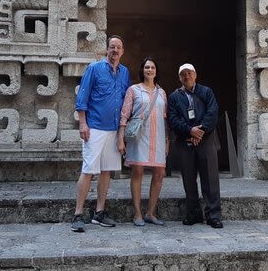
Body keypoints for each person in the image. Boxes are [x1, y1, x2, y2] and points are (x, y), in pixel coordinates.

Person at [71, 35, 130, 233]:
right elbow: (83, 97)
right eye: (112, 47)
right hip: (94, 127)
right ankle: (78, 214)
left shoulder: (125, 73)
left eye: (118, 47)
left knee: (107, 171)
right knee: (88, 170)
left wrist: (122, 132)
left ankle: (99, 213)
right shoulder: (94, 69)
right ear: (107, 49)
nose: (115, 50)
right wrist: (82, 123)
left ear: (122, 51)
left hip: (113, 129)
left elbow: (125, 102)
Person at [167, 63, 223, 228]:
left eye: (190, 73)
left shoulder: (206, 92)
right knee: (189, 180)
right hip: (185, 142)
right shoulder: (174, 97)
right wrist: (190, 131)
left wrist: (201, 131)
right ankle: (193, 214)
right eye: (183, 74)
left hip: (206, 141)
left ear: (195, 75)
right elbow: (173, 119)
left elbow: (212, 112)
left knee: (210, 179)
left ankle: (213, 215)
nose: (187, 76)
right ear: (179, 78)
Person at [117, 57, 168, 227]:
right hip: (139, 136)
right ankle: (137, 213)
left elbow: (165, 117)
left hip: (159, 136)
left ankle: (150, 213)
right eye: (147, 67)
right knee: (137, 172)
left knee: (159, 173)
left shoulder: (162, 93)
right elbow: (124, 114)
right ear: (142, 70)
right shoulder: (134, 90)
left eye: (153, 67)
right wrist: (121, 137)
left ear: (156, 71)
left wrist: (167, 139)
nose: (150, 70)